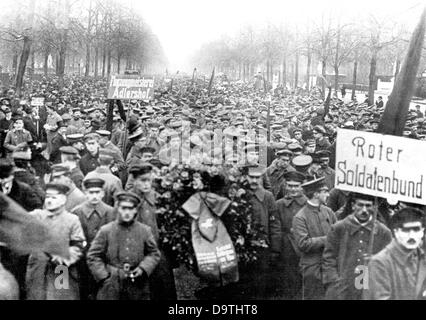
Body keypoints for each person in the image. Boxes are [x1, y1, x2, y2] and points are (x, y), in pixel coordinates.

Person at [87, 191, 161, 300]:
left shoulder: (144, 230)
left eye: (130, 208)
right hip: (111, 285)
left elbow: (153, 253)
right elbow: (93, 256)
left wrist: (143, 268)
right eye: (123, 208)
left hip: (137, 283)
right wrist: (104, 276)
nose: (127, 212)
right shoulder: (106, 230)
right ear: (118, 209)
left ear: (135, 210)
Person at [322, 193, 391, 300]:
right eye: (360, 205)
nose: (364, 210)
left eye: (368, 206)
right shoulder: (339, 228)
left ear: (374, 207)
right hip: (343, 290)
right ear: (353, 205)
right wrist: (335, 283)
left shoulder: (383, 232)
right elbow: (329, 258)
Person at [25, 182, 86, 300]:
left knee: (61, 295)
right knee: (35, 295)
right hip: (37, 267)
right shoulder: (37, 216)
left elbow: (78, 244)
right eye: (47, 196)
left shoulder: (71, 220)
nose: (49, 200)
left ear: (63, 200)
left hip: (61, 269)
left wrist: (65, 257)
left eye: (54, 197)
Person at [129, 163, 177, 300]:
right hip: (138, 255)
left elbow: (167, 224)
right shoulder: (127, 202)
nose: (146, 184)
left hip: (159, 253)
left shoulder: (157, 198)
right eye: (142, 180)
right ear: (134, 180)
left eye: (149, 180)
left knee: (164, 289)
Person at [240, 165, 281, 298]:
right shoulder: (240, 195)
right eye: (251, 177)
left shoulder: (268, 197)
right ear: (246, 177)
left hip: (263, 246)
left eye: (257, 177)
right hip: (244, 246)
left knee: (261, 280)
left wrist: (275, 248)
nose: (254, 180)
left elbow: (274, 223)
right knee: (244, 279)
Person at [367, 207, 426, 300]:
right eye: (406, 230)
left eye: (416, 229)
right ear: (396, 232)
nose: (411, 235)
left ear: (422, 231)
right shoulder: (380, 263)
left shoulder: (422, 258)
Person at [292, 176, 336, 300]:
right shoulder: (300, 217)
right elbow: (303, 244)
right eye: (325, 192)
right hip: (312, 268)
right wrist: (327, 239)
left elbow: (337, 234)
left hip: (330, 266)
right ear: (316, 194)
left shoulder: (328, 212)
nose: (328, 195)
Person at [71, 178, 116, 300]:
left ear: (102, 193)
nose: (94, 196)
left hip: (105, 263)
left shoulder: (112, 212)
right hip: (83, 264)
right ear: (85, 193)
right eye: (91, 192)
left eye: (97, 192)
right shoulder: (77, 213)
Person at [276, 171, 307, 298]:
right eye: (290, 185)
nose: (293, 189)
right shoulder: (279, 204)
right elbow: (276, 228)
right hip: (287, 247)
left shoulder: (309, 204)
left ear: (302, 186)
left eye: (296, 186)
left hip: (305, 246)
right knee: (288, 280)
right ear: (285, 186)